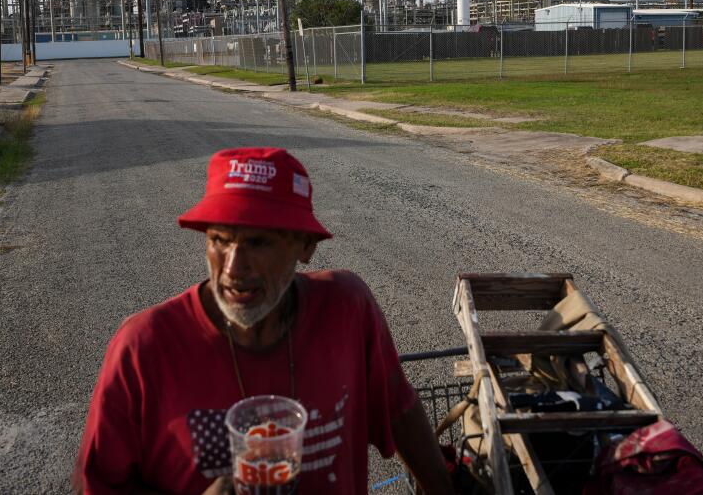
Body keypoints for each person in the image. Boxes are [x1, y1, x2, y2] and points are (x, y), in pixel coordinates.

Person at [76, 147, 454, 494]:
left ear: (305, 247)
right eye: (220, 239)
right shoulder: (143, 348)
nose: (233, 268)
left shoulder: (346, 308)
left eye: (258, 243)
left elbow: (398, 407)